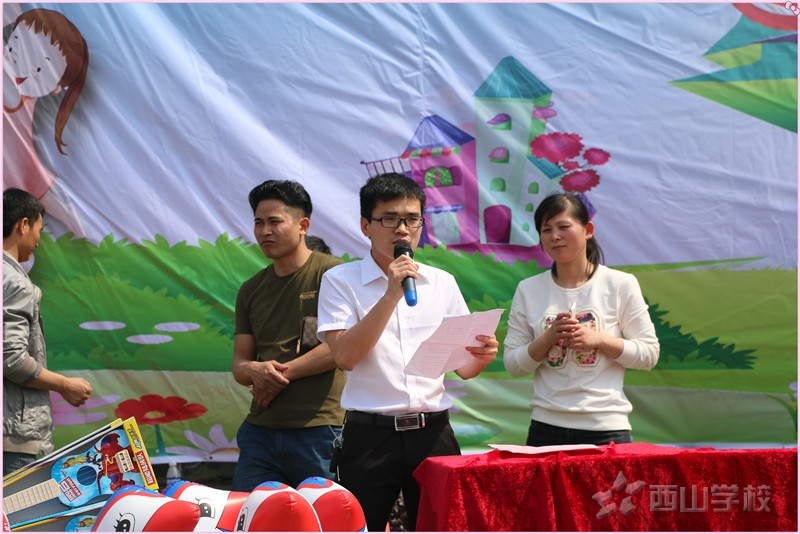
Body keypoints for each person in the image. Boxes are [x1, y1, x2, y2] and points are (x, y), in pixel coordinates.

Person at [317, 172, 498, 531]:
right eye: (390, 219)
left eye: (412, 219)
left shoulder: (442, 282)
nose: (402, 229)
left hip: (433, 432)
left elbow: (464, 369)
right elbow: (345, 357)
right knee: (359, 526)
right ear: (366, 225)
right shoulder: (340, 281)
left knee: (440, 527)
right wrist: (390, 294)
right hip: (370, 435)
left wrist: (481, 355)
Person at [503, 192, 659, 447]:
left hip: (607, 429)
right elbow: (513, 366)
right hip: (545, 429)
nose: (555, 236)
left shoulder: (620, 284)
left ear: (588, 230)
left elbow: (649, 355)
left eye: (564, 227)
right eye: (546, 230)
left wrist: (599, 340)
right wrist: (548, 338)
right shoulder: (528, 289)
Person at [230, 179, 346, 491]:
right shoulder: (251, 289)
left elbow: (341, 348)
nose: (265, 231)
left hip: (321, 428)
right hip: (260, 431)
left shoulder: (334, 274)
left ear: (303, 225)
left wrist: (277, 376)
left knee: (327, 516)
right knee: (249, 514)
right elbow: (240, 364)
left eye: (274, 222)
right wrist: (255, 370)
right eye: (258, 223)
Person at [3, 187, 92, 475]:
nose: (38, 241)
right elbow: (11, 358)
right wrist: (64, 385)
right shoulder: (16, 283)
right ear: (23, 225)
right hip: (13, 441)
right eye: (39, 230)